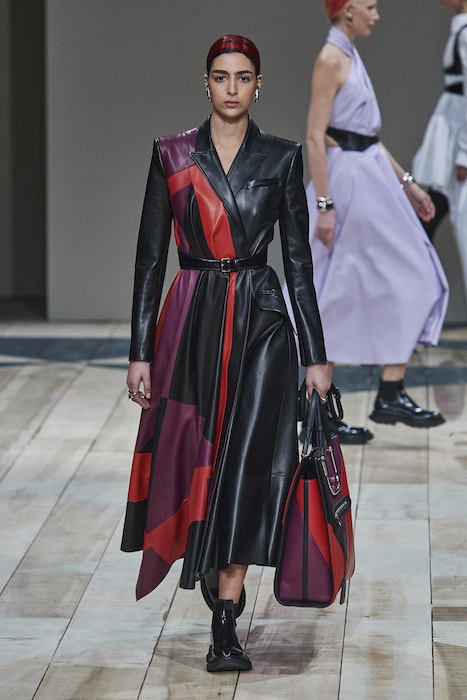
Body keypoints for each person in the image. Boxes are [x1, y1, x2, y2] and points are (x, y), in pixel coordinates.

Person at [120, 35, 330, 673]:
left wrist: (315, 356)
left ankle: (226, 619)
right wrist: (140, 352)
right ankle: (211, 567)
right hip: (191, 318)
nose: (232, 87)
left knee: (246, 461)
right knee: (195, 455)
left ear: (258, 85)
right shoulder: (172, 154)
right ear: (206, 83)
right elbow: (149, 259)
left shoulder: (283, 157)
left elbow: (298, 264)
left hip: (261, 321)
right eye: (221, 76)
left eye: (243, 77)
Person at [284, 0, 449, 444]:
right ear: (347, 10)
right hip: (349, 186)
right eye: (370, 6)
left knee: (393, 280)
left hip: (369, 179)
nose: (376, 15)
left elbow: (367, 138)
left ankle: (383, 392)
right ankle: (324, 406)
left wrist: (409, 184)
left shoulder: (348, 54)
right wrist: (324, 204)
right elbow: (315, 136)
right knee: (335, 290)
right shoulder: (331, 58)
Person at [413, 0, 467, 297]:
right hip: (451, 139)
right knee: (429, 215)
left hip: (457, 141)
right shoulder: (460, 31)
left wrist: (464, 153)